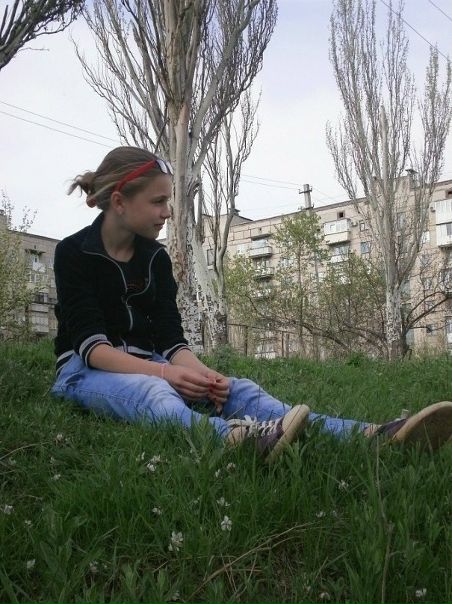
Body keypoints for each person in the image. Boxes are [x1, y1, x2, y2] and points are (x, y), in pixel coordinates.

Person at [51, 146, 452, 462]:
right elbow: (93, 349)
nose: (167, 212)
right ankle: (239, 442)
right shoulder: (73, 253)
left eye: (168, 201)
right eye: (158, 202)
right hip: (83, 372)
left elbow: (171, 341)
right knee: (155, 394)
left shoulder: (155, 258)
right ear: (120, 202)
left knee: (238, 389)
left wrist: (207, 377)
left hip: (153, 362)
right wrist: (165, 374)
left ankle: (372, 436)